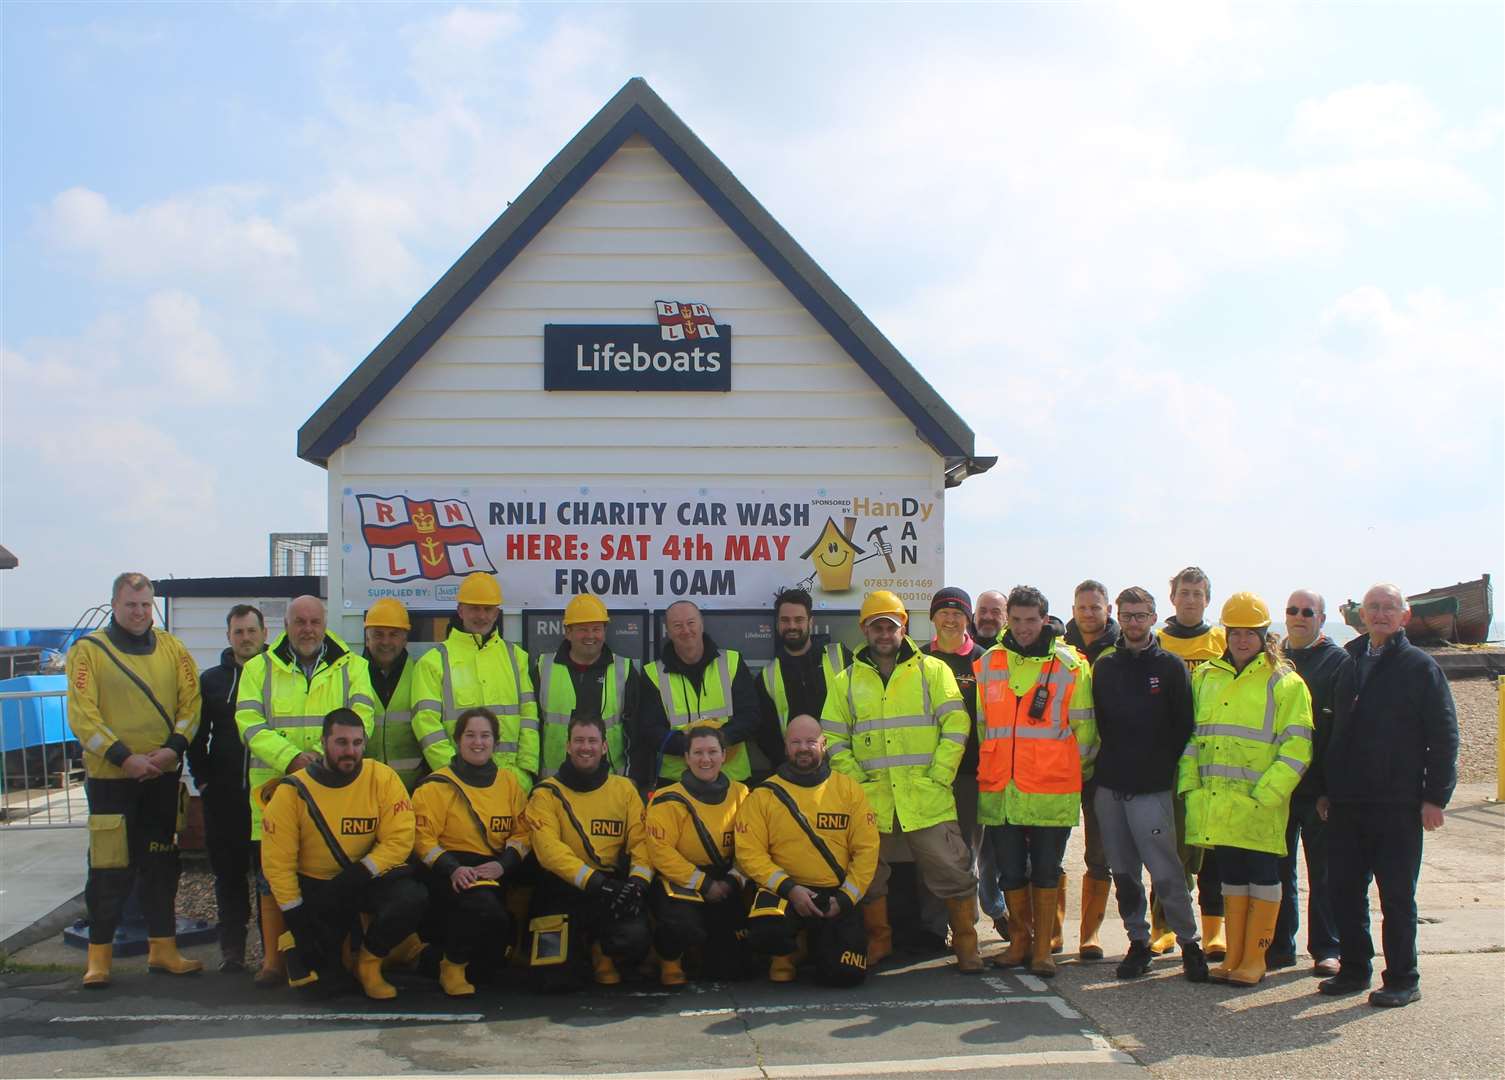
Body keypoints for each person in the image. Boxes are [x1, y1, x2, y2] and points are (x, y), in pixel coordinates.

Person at [1314, 583, 1458, 1008]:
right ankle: (1354, 968)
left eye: (1388, 608)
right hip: (1346, 802)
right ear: (1361, 615)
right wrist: (1324, 788)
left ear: (1404, 616)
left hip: (1397, 803)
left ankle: (1402, 977)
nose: (1380, 614)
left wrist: (1436, 797)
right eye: (1373, 607)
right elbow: (1332, 731)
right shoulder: (1350, 661)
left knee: (1395, 895)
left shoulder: (1419, 667)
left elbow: (1444, 735)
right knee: (1343, 890)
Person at [823, 590, 981, 973]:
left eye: (890, 626)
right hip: (872, 802)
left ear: (903, 627)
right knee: (870, 875)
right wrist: (857, 784)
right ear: (864, 629)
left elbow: (957, 724)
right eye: (876, 626)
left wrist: (939, 776)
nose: (883, 633)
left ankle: (966, 944)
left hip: (926, 797)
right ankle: (880, 940)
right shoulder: (845, 681)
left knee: (953, 872)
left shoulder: (932, 670)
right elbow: (833, 737)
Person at [66, 572, 203, 988]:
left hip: (162, 777)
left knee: (162, 865)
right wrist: (125, 758)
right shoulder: (87, 652)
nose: (140, 612)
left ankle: (164, 950)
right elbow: (83, 716)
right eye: (131, 605)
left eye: (146, 605)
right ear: (114, 604)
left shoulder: (173, 648)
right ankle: (99, 959)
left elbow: (190, 702)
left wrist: (172, 749)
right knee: (109, 870)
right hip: (112, 780)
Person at [236, 594, 376, 987]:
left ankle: (341, 955)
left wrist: (318, 753)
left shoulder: (353, 667)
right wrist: (291, 758)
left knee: (333, 872)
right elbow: (247, 722)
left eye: (315, 621)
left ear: (326, 622)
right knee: (272, 875)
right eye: (300, 621)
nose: (308, 629)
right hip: (276, 790)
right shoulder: (259, 668)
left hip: (333, 792)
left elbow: (364, 718)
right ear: (285, 624)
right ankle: (272, 961)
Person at [1178, 592, 1312, 987]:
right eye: (1234, 633)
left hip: (1260, 805)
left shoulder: (1285, 683)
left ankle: (1255, 958)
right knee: (1231, 878)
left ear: (1263, 635)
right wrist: (1190, 786)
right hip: (1217, 802)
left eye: (1249, 634)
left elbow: (1298, 746)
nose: (1241, 640)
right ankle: (1233, 956)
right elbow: (1190, 738)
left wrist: (1268, 796)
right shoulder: (1205, 678)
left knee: (1264, 877)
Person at [259, 708, 425, 999]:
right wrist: (297, 920)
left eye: (357, 743)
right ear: (323, 742)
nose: (350, 751)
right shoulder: (291, 791)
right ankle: (327, 956)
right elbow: (278, 864)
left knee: (412, 896)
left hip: (364, 878)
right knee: (323, 989)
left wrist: (359, 873)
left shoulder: (382, 777)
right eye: (341, 743)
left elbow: (400, 839)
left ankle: (370, 962)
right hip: (319, 889)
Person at [976, 586, 1097, 978]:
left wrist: (1063, 772)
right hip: (1001, 789)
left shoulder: (1070, 665)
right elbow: (983, 727)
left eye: (1032, 620)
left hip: (1051, 789)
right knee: (1009, 871)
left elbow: (1086, 731)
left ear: (1045, 619)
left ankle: (1043, 948)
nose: (1024, 628)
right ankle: (1019, 943)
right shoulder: (990, 662)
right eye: (1016, 620)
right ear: (1007, 618)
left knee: (1046, 870)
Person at [1089, 587, 1206, 981]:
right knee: (1123, 871)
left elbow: (1182, 726)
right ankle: (1138, 941)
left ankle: (1189, 942)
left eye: (1141, 615)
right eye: (1127, 615)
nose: (1134, 622)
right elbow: (1101, 723)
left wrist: (1157, 769)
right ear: (1117, 618)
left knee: (1166, 869)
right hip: (1110, 786)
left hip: (1153, 788)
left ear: (1154, 617)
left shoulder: (1170, 667)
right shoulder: (1105, 667)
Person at [735, 714, 879, 986]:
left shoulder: (849, 790)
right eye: (796, 742)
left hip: (835, 895)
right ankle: (786, 955)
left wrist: (846, 898)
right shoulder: (764, 795)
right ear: (786, 747)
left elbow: (867, 851)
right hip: (785, 893)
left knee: (844, 976)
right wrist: (790, 889)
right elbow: (749, 853)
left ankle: (813, 948)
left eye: (811, 741)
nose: (803, 748)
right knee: (768, 932)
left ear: (824, 744)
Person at [524, 714, 654, 990]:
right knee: (552, 982)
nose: (586, 747)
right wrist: (595, 883)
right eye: (579, 741)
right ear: (568, 746)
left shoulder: (625, 790)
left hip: (611, 888)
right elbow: (549, 852)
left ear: (605, 747)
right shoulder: (546, 794)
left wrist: (638, 883)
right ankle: (582, 950)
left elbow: (641, 842)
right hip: (562, 889)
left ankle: (602, 951)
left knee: (635, 938)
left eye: (593, 741)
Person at [411, 707, 531, 996]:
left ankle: (432, 957)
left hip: (493, 870)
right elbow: (421, 839)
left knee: (488, 971)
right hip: (448, 871)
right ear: (457, 740)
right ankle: (451, 966)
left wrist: (504, 864)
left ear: (496, 742)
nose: (478, 742)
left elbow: (523, 832)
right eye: (470, 735)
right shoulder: (434, 787)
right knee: (484, 909)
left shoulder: (509, 783)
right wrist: (453, 869)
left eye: (485, 736)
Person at [1150, 566, 1228, 959]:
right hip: (1168, 760)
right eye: (1185, 592)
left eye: (1198, 593)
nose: (1191, 599)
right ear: (1173, 597)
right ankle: (1162, 926)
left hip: (1212, 761)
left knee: (1211, 849)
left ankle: (1214, 927)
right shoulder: (1157, 641)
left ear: (1207, 599)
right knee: (1168, 849)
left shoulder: (1223, 640)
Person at [187, 603, 267, 973]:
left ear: (265, 634)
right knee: (229, 877)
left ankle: (273, 952)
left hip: (267, 796)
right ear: (229, 637)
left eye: (252, 631)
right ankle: (232, 949)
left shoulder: (277, 675)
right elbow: (196, 737)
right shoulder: (212, 681)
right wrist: (203, 780)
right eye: (239, 632)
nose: (246, 638)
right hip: (225, 797)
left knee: (270, 876)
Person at [1270, 589, 1345, 974]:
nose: (1298, 617)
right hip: (1280, 786)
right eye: (1292, 610)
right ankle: (1280, 945)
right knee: (1279, 870)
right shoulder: (1274, 659)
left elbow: (1341, 732)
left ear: (1321, 617)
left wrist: (1329, 790)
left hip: (1318, 791)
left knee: (1324, 871)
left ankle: (1326, 948)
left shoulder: (1338, 663)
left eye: (1307, 612)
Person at [413, 572, 539, 791]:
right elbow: (426, 726)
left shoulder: (516, 657)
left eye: (488, 609)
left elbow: (529, 719)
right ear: (460, 611)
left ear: (497, 613)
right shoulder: (433, 662)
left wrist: (525, 773)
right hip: (457, 784)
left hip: (511, 783)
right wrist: (454, 774)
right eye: (474, 608)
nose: (481, 616)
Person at [644, 726, 750, 986]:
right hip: (681, 882)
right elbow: (661, 853)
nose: (706, 759)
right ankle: (669, 958)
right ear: (687, 757)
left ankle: (703, 952)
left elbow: (753, 846)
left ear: (724, 755)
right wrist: (703, 884)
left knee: (733, 969)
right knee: (682, 927)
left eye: (713, 752)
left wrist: (733, 880)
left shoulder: (742, 794)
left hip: (725, 881)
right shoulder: (666, 799)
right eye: (698, 752)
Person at [916, 587, 986, 952]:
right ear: (932, 617)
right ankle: (931, 928)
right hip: (927, 776)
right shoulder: (917, 659)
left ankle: (966, 929)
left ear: (968, 619)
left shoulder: (983, 661)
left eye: (958, 612)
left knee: (966, 856)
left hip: (970, 775)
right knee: (932, 854)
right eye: (943, 611)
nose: (951, 618)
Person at [637, 600, 760, 789]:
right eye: (677, 626)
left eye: (691, 623)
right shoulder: (653, 674)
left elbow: (751, 717)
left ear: (701, 624)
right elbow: (650, 730)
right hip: (676, 782)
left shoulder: (732, 662)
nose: (685, 630)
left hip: (732, 780)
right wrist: (689, 746)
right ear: (668, 632)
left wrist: (718, 741)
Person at [1061, 579, 1121, 960]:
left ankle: (1090, 934)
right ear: (1073, 610)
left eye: (1095, 607)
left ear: (1108, 610)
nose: (1088, 613)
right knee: (1052, 851)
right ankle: (1051, 932)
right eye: (1082, 607)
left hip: (1107, 765)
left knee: (1100, 854)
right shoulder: (1058, 648)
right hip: (1061, 763)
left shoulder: (1123, 649)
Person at [532, 593, 640, 781]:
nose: (590, 636)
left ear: (605, 631)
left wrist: (631, 779)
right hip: (556, 783)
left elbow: (637, 734)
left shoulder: (625, 670)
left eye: (596, 629)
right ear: (568, 632)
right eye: (582, 629)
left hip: (611, 784)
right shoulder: (543, 669)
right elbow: (531, 729)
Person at [754, 587, 852, 771]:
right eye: (785, 620)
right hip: (798, 774)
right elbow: (766, 737)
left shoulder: (840, 656)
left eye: (798, 620)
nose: (792, 626)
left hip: (845, 769)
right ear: (777, 624)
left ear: (810, 622)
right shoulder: (766, 677)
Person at [969, 587, 1010, 934]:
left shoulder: (1009, 657)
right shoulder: (965, 652)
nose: (987, 616)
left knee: (998, 851)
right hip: (965, 767)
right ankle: (967, 924)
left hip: (1001, 768)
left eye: (995, 611)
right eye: (983, 610)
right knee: (968, 853)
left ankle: (1000, 914)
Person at [363, 598, 423, 791]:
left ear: (405, 638)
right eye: (378, 634)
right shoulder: (351, 674)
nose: (386, 641)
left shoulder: (421, 674)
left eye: (394, 634)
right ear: (367, 637)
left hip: (412, 790)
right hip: (363, 788)